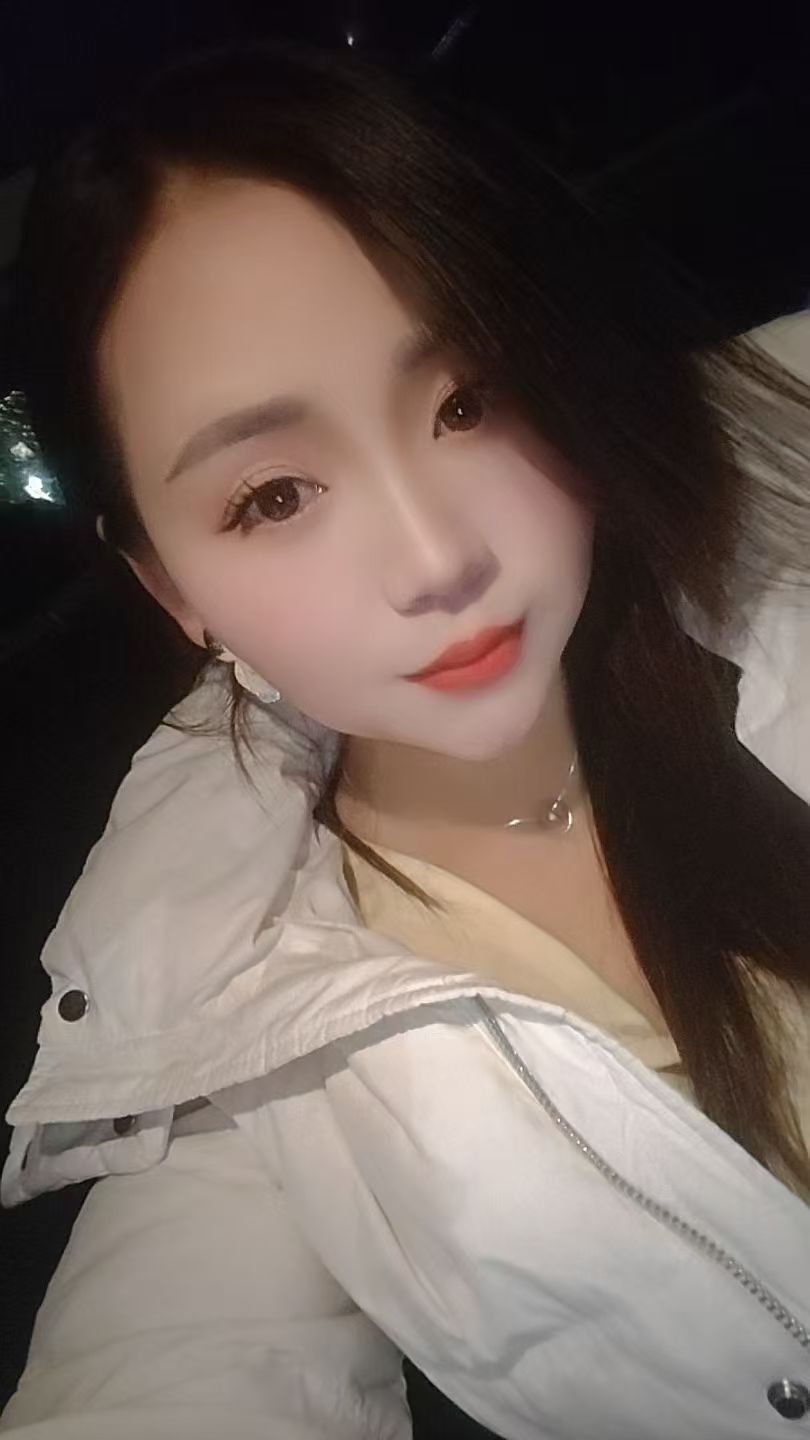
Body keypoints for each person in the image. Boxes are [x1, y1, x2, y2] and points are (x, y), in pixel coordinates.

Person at [1, 36, 809, 1440]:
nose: (438, 559)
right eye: (273, 496)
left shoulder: (771, 516)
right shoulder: (241, 1025)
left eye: (465, 401)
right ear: (172, 587)